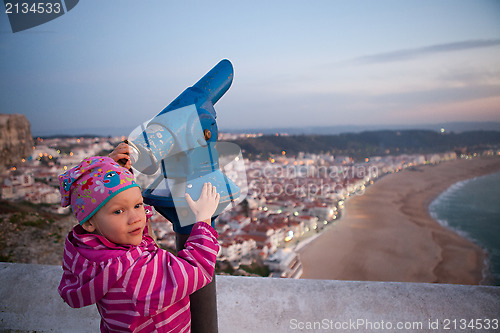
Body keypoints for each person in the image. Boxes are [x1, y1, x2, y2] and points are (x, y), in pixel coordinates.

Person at [57, 155, 220, 332]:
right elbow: (196, 269)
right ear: (89, 223)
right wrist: (204, 219)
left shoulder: (90, 255)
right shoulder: (133, 270)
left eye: (138, 205)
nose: (136, 218)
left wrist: (118, 171)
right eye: (118, 211)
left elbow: (140, 238)